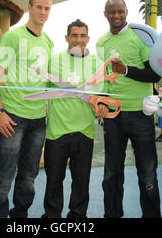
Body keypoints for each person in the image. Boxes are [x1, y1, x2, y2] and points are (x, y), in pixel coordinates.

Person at [0, 0, 54, 218]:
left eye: (47, 8)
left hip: (38, 121)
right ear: (30, 7)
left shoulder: (48, 42)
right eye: (39, 7)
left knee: (29, 176)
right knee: (4, 177)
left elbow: (46, 79)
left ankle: (20, 217)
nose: (43, 12)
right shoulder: (12, 37)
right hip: (12, 117)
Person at [96, 0, 161, 218]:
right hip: (113, 117)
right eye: (111, 12)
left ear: (127, 11)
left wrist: (126, 70)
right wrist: (101, 103)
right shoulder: (101, 42)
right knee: (111, 174)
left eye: (120, 11)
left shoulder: (140, 36)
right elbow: (102, 81)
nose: (116, 16)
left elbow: (154, 75)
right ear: (104, 14)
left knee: (148, 174)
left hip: (140, 116)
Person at [42, 19, 108, 218]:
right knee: (54, 180)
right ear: (67, 37)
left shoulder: (97, 63)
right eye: (74, 35)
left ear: (88, 38)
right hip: (56, 131)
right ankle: (52, 217)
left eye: (82, 36)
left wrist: (103, 105)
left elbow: (102, 95)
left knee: (81, 180)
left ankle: (77, 217)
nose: (78, 40)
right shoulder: (53, 60)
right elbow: (41, 89)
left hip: (84, 131)